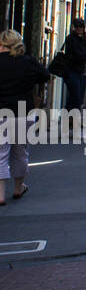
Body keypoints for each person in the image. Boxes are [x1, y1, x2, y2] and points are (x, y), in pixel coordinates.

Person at [0, 30, 45, 205]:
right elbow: (45, 75)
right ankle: (18, 188)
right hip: (23, 112)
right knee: (20, 151)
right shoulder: (27, 61)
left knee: (1, 153)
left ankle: (1, 194)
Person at [57, 19, 86, 112]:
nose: (79, 28)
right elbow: (77, 55)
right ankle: (72, 120)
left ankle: (70, 120)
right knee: (76, 98)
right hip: (72, 72)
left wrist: (85, 55)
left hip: (81, 72)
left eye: (81, 26)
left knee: (76, 98)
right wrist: (85, 55)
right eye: (77, 26)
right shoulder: (71, 39)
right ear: (73, 27)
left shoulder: (82, 40)